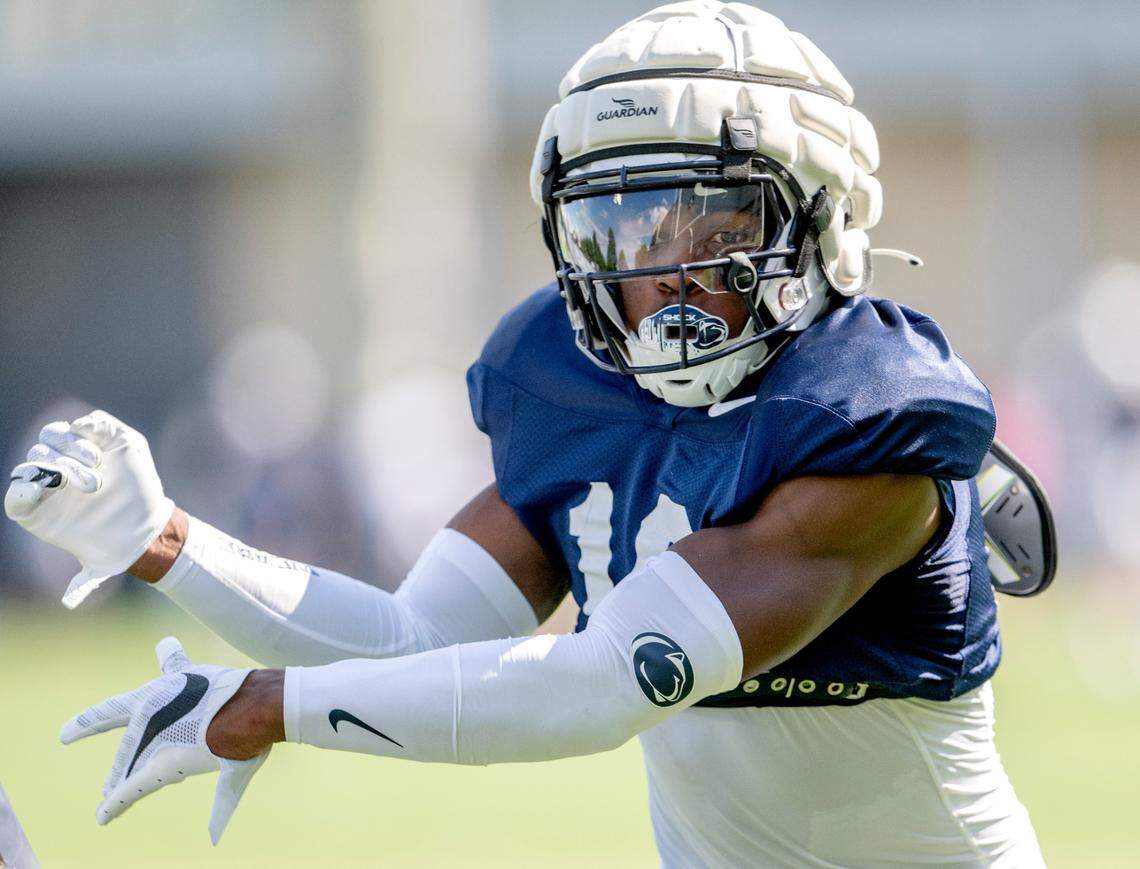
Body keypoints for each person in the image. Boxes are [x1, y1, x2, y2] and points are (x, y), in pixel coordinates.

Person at [4, 3, 1045, 865]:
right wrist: (166, 541)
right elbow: (415, 642)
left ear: (821, 221)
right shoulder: (571, 389)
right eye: (626, 231)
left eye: (716, 227)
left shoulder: (864, 425)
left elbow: (601, 682)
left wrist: (272, 704)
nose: (665, 275)